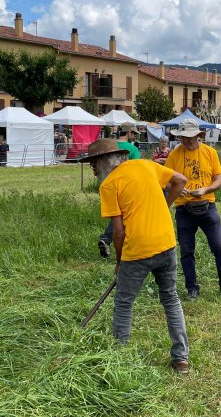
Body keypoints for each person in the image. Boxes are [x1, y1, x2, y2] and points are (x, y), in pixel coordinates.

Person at [80, 138, 191, 374]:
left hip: (137, 250)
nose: (92, 169)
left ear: (105, 162)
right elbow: (180, 181)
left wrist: (120, 262)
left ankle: (119, 360)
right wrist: (164, 203)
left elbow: (118, 232)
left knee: (123, 303)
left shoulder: (109, 185)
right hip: (166, 243)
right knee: (170, 299)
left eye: (93, 164)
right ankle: (181, 359)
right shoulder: (146, 165)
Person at [164, 119, 221, 301]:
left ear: (199, 136)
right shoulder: (174, 155)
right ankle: (192, 288)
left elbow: (219, 181)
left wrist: (205, 190)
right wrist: (176, 188)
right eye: (183, 137)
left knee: (219, 246)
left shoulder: (210, 153)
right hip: (184, 208)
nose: (186, 141)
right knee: (186, 250)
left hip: (207, 206)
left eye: (190, 137)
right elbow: (165, 179)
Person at [96, 123, 142, 257]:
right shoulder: (131, 149)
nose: (133, 136)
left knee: (116, 215)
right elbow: (136, 168)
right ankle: (124, 244)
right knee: (127, 215)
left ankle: (106, 239)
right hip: (128, 185)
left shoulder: (110, 146)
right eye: (133, 134)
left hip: (108, 185)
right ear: (129, 134)